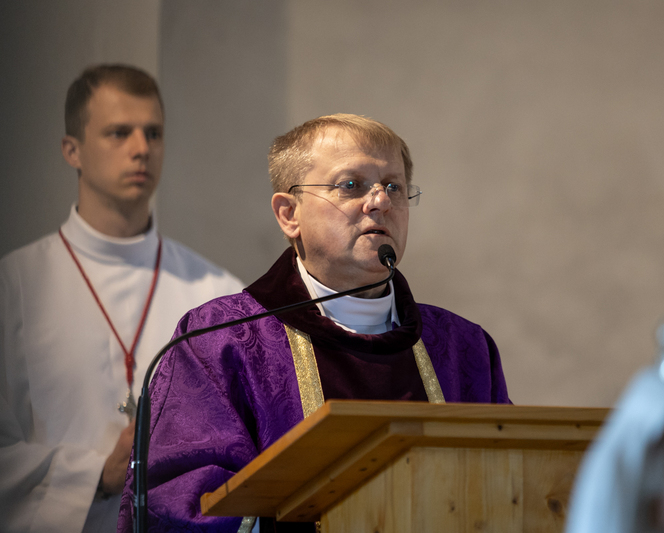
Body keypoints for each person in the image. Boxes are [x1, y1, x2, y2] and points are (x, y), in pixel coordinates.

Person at [116, 113, 510, 532]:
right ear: (289, 214)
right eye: (351, 185)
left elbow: (508, 488)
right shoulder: (217, 342)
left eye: (394, 186)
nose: (381, 202)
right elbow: (180, 506)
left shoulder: (463, 348)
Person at [0, 64, 243, 533]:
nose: (141, 149)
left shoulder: (218, 293)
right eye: (119, 133)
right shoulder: (14, 286)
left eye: (153, 133)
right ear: (72, 150)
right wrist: (96, 476)